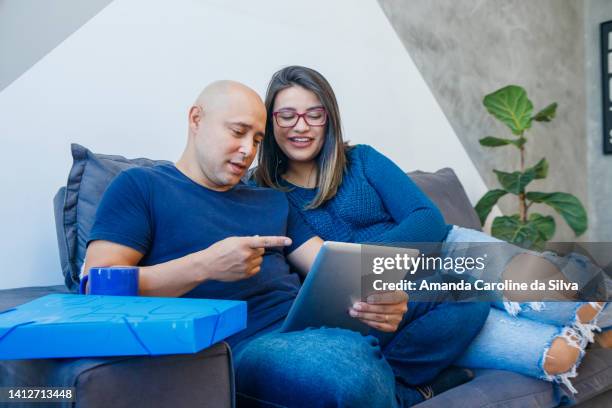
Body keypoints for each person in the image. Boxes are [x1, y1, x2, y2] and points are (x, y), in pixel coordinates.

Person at [83, 80, 489, 407]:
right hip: (245, 345)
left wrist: (382, 294)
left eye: (258, 139)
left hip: (308, 323)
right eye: (238, 132)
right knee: (347, 367)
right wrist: (204, 266)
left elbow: (327, 267)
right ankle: (393, 389)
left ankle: (395, 387)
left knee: (464, 291)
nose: (248, 150)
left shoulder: (269, 198)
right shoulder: (142, 186)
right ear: (195, 119)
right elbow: (94, 287)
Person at [253, 65, 611, 394]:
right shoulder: (272, 195)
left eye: (314, 114)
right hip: (403, 295)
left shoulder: (362, 159)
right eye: (287, 115)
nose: (300, 126)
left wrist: (368, 259)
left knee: (566, 301)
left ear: (328, 119)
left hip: (447, 248)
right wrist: (383, 269)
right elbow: (323, 268)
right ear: (271, 121)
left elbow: (427, 219)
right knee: (556, 355)